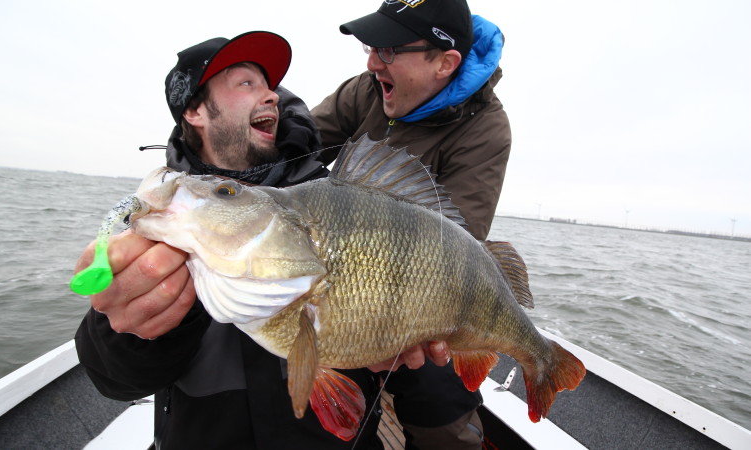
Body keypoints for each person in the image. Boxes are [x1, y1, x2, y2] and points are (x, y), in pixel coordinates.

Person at [74, 31, 409, 449]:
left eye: (270, 85)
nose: (271, 95)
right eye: (247, 83)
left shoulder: (340, 201)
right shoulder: (163, 219)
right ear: (196, 110)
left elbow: (420, 328)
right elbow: (115, 380)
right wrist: (132, 326)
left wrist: (400, 344)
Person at [311, 1, 512, 448]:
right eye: (371, 46)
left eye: (387, 50)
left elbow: (456, 241)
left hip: (422, 290)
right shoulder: (367, 89)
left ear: (445, 62)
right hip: (338, 273)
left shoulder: (487, 128)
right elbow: (297, 144)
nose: (370, 62)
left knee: (443, 414)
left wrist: (395, 325)